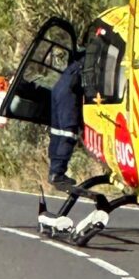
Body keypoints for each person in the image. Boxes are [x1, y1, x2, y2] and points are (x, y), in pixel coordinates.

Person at [48, 57, 84, 190]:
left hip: (59, 90)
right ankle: (58, 173)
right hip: (68, 94)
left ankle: (54, 171)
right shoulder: (92, 58)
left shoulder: (78, 62)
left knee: (57, 132)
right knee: (69, 133)